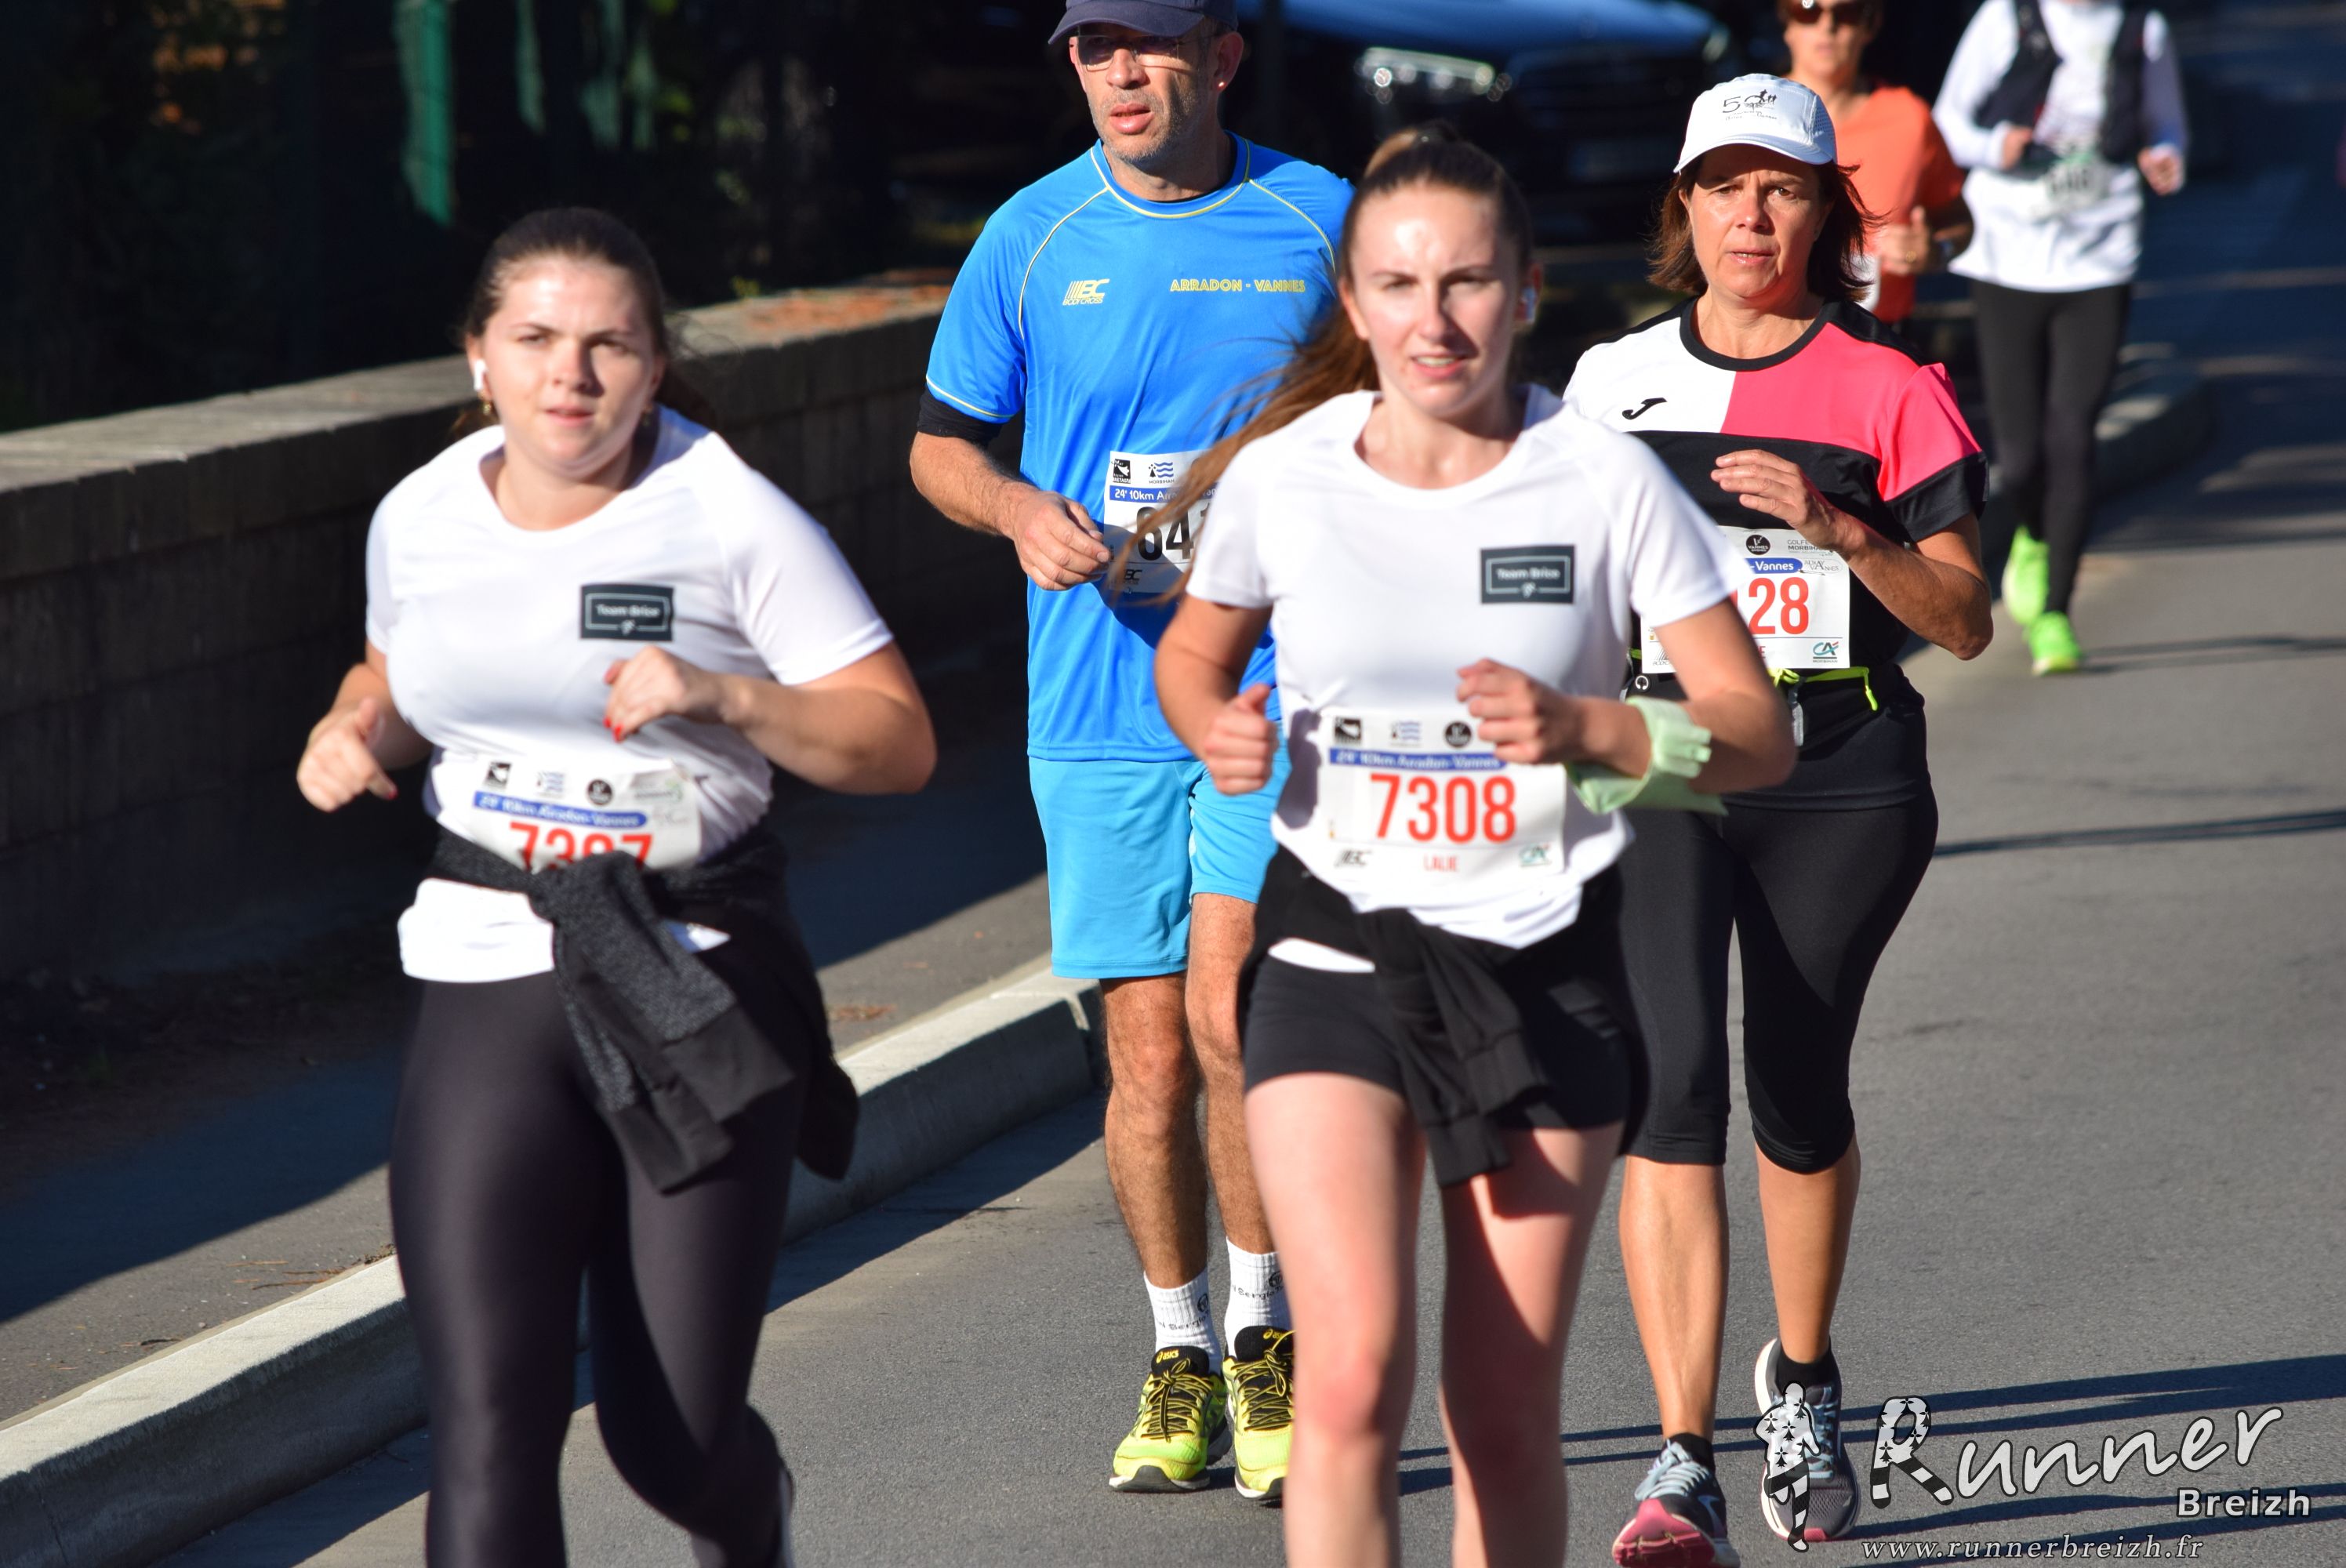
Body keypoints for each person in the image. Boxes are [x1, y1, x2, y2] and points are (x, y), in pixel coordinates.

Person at [1156, 128, 1796, 1568]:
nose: (1432, 320)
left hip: (1543, 963)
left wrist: (1594, 731)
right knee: (1348, 1380)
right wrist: (1214, 728)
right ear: (1353, 300)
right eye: (1396, 285)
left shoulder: (1601, 478)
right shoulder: (1285, 476)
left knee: (1499, 1413)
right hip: (1334, 952)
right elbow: (1192, 659)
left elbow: (1756, 736)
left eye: (1466, 282)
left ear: (1526, 289)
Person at [296, 208, 935, 1567]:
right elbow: (396, 677)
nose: (569, 375)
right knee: (484, 1430)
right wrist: (352, 728)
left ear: (655, 367)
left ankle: (750, 1516)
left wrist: (728, 697)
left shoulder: (728, 515)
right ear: (479, 358)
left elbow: (897, 742)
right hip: (489, 955)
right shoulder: (420, 514)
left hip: (691, 969)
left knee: (672, 1443)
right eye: (535, 339)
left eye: (609, 346)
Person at [908, 0, 1349, 1501]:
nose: (1118, 74)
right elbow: (940, 446)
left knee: (1234, 1022)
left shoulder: (1317, 217)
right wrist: (1016, 510)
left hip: (1265, 692)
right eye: (1093, 49)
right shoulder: (1031, 236)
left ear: (1218, 58)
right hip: (1093, 705)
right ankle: (1178, 1353)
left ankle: (1263, 1331)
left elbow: (1398, 392)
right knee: (1146, 1054)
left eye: (1147, 45)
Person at [1561, 76, 1994, 1563]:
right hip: (1667, 754)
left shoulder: (1889, 384)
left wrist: (1841, 528)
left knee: (1795, 1091)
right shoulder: (1610, 382)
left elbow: (1966, 620)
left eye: (1784, 188)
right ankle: (1680, 1456)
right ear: (1682, 206)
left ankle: (1801, 1382)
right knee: (1670, 1086)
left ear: (1825, 211)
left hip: (1838, 771)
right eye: (1724, 186)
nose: (1751, 216)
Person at [1933, 0, 2188, 674]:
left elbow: (2167, 125)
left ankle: (2054, 611)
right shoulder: (2007, 17)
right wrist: (1996, 146)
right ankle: (2034, 537)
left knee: (2073, 438)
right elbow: (1947, 122)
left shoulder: (2142, 27)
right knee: (2019, 458)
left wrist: (2166, 156)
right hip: (2007, 254)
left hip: (2101, 257)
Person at [1778, 0, 1972, 328]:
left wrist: (1935, 250)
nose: (1828, 26)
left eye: (1847, 13)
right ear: (1786, 22)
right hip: (1772, 334)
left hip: (1880, 333)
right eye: (1808, 10)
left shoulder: (1910, 119)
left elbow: (1959, 220)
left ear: (1871, 24)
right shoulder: (1753, 117)